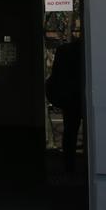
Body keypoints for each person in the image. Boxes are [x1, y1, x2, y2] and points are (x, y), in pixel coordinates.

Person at [46, 38, 84, 173]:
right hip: (77, 95)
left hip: (70, 98)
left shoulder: (64, 51)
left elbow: (56, 75)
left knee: (70, 132)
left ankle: (69, 166)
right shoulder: (85, 50)